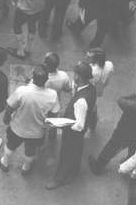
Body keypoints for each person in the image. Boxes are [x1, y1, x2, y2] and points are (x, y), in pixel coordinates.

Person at [89, 76, 136, 174]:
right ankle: (128, 166)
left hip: (123, 134)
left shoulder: (132, 105)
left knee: (111, 149)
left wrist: (134, 95)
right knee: (133, 152)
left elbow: (121, 100)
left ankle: (98, 167)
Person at [0, 64, 60, 174]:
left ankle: (5, 162)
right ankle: (26, 168)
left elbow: (10, 107)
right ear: (46, 79)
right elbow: (53, 115)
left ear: (32, 77)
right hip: (37, 132)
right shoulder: (53, 95)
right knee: (30, 150)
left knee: (11, 144)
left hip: (17, 128)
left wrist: (7, 118)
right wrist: (48, 129)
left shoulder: (22, 91)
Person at [45, 61, 96, 190]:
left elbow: (78, 125)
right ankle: (74, 169)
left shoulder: (81, 101)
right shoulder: (91, 88)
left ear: (79, 77)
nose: (74, 76)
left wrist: (63, 123)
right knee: (77, 149)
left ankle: (59, 178)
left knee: (65, 154)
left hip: (73, 132)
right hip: (79, 131)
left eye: (75, 74)